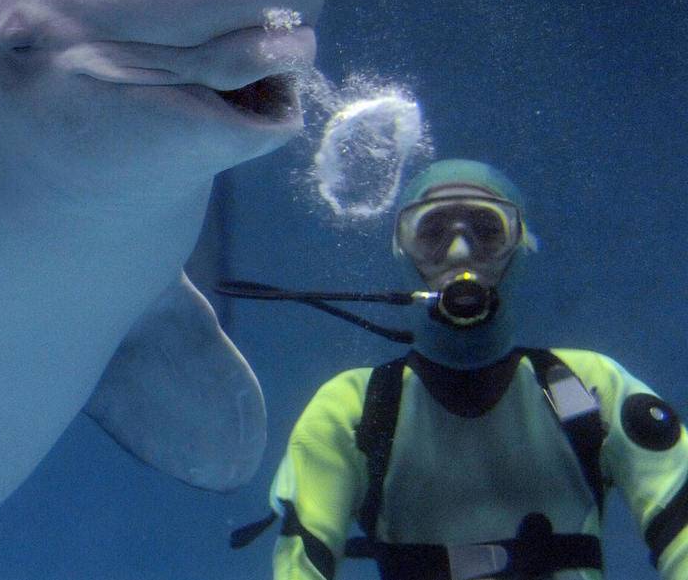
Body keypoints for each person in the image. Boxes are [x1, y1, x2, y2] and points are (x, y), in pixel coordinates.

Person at [263, 159, 688, 579]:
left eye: (486, 232)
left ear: (519, 245)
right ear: (403, 252)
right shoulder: (356, 408)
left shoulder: (580, 389)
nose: (460, 252)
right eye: (432, 233)